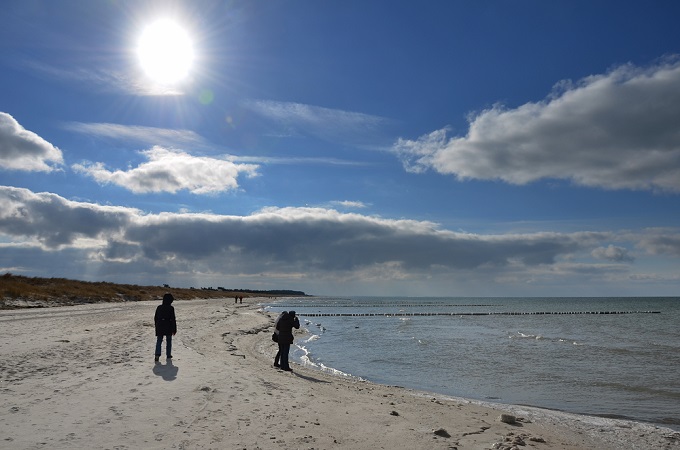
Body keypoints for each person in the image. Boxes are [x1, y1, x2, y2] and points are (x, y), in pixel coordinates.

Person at [154, 293, 177, 362]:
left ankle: (157, 355)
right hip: (168, 325)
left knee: (159, 340)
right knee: (169, 341)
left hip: (160, 324)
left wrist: (156, 325)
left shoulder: (159, 307)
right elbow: (173, 319)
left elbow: (155, 317)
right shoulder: (171, 308)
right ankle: (168, 355)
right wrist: (174, 329)